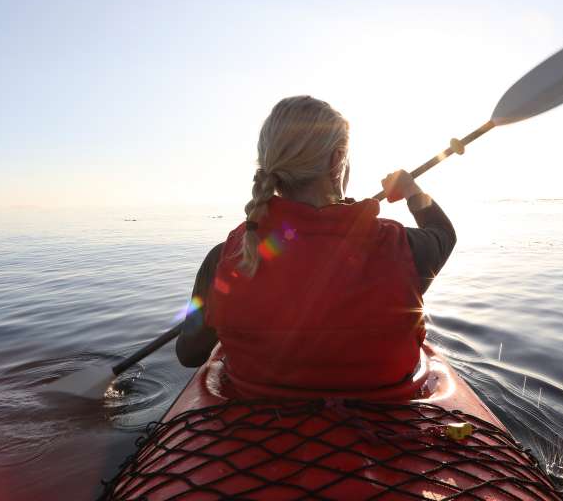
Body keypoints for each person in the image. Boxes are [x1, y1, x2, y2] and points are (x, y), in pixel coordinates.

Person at [175, 96, 456, 394]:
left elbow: (189, 354)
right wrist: (413, 190)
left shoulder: (225, 257)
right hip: (385, 427)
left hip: (256, 429)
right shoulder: (405, 250)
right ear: (337, 160)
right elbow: (443, 233)